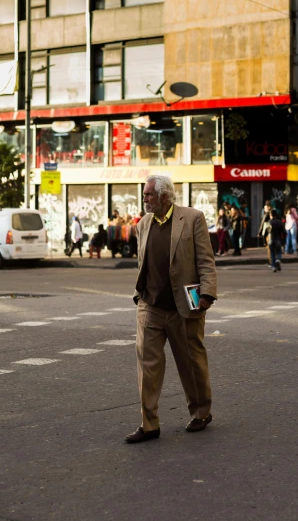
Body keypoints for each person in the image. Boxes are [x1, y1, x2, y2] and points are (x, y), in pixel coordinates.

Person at [126, 174, 217, 444]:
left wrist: (207, 294)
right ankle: (149, 424)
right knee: (147, 367)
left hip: (183, 306)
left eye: (149, 195)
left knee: (191, 362)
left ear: (165, 197)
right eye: (145, 194)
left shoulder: (192, 218)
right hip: (150, 305)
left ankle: (201, 412)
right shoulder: (143, 224)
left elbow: (205, 260)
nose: (145, 199)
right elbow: (143, 262)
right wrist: (140, 296)